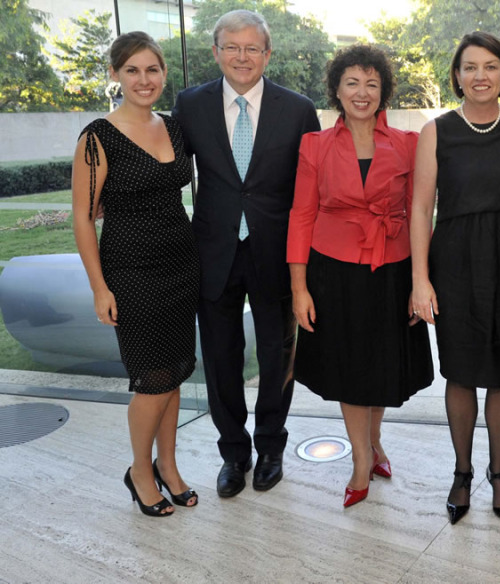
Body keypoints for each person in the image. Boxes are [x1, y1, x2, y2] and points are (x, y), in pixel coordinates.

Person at [172, 10, 320, 498]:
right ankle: (234, 454)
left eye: (251, 48)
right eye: (231, 47)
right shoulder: (189, 105)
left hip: (277, 251)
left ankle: (271, 447)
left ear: (267, 54)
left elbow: (312, 187)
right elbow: (168, 170)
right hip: (212, 250)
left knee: (278, 355)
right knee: (220, 357)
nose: (241, 56)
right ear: (215, 52)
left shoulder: (298, 109)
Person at [288, 45, 433, 508]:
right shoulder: (314, 145)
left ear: (384, 90)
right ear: (336, 89)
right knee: (350, 369)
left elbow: (419, 214)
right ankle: (359, 459)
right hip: (334, 272)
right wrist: (299, 287)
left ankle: (375, 444)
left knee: (382, 367)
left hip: (392, 271)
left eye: (372, 83)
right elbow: (301, 215)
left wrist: (419, 280)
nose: (362, 92)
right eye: (352, 82)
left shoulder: (409, 144)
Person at [410, 31, 500, 527]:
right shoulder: (436, 131)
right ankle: (463, 472)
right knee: (461, 372)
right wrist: (420, 279)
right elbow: (421, 208)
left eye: (490, 66)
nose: (480, 75)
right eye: (469, 67)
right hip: (455, 263)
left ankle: (499, 474)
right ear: (457, 75)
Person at [72, 31, 200, 517]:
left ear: (164, 74)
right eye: (132, 70)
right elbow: (83, 216)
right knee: (152, 380)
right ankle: (140, 472)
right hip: (131, 272)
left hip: (181, 266)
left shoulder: (173, 127)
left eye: (153, 70)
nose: (144, 80)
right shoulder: (97, 136)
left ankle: (168, 466)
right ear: (115, 75)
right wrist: (99, 287)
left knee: (175, 372)